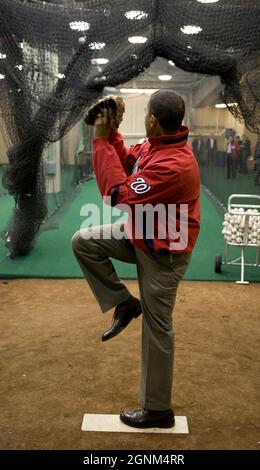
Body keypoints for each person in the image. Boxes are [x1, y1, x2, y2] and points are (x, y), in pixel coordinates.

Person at [71, 90, 200, 429]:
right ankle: (123, 303)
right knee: (84, 241)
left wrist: (99, 141)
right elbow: (129, 160)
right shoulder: (157, 146)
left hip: (164, 255)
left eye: (146, 115)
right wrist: (112, 134)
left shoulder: (174, 164)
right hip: (141, 236)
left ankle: (158, 410)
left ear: (153, 120)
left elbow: (117, 195)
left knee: (157, 329)